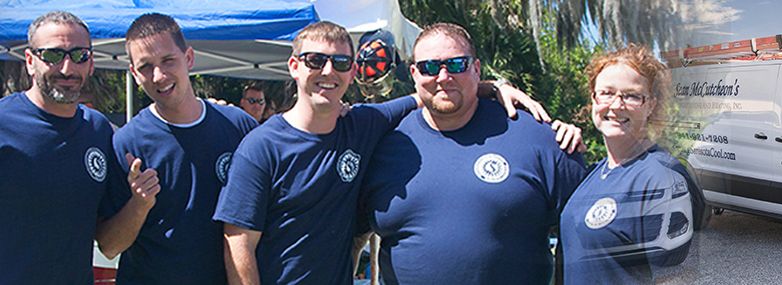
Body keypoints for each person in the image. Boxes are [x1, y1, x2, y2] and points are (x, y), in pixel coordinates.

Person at [211, 21, 571, 285]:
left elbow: (433, 94)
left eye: (340, 63)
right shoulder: (262, 147)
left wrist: (493, 87)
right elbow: (238, 241)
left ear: (353, 71)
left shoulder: (364, 126)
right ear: (294, 66)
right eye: (315, 60)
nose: (328, 71)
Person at [360, 23, 588, 284]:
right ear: (414, 73)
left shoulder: (540, 139)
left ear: (476, 69)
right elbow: (352, 238)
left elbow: (587, 240)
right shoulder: (381, 145)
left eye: (457, 64)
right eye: (429, 67)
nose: (443, 77)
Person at [0, 10, 157, 284]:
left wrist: (139, 204)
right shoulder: (4, 122)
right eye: (52, 55)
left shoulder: (98, 130)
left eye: (79, 55)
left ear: (91, 63)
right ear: (30, 61)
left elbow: (109, 245)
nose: (67, 68)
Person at [108, 13, 264, 285]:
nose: (159, 76)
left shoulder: (239, 127)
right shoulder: (126, 143)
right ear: (134, 74)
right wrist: (139, 205)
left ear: (189, 58)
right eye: (146, 66)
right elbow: (110, 247)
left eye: (168, 60)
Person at [560, 45, 698, 284]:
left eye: (631, 96)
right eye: (606, 93)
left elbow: (678, 275)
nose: (616, 105)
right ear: (593, 99)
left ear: (651, 105)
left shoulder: (661, 176)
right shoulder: (592, 174)